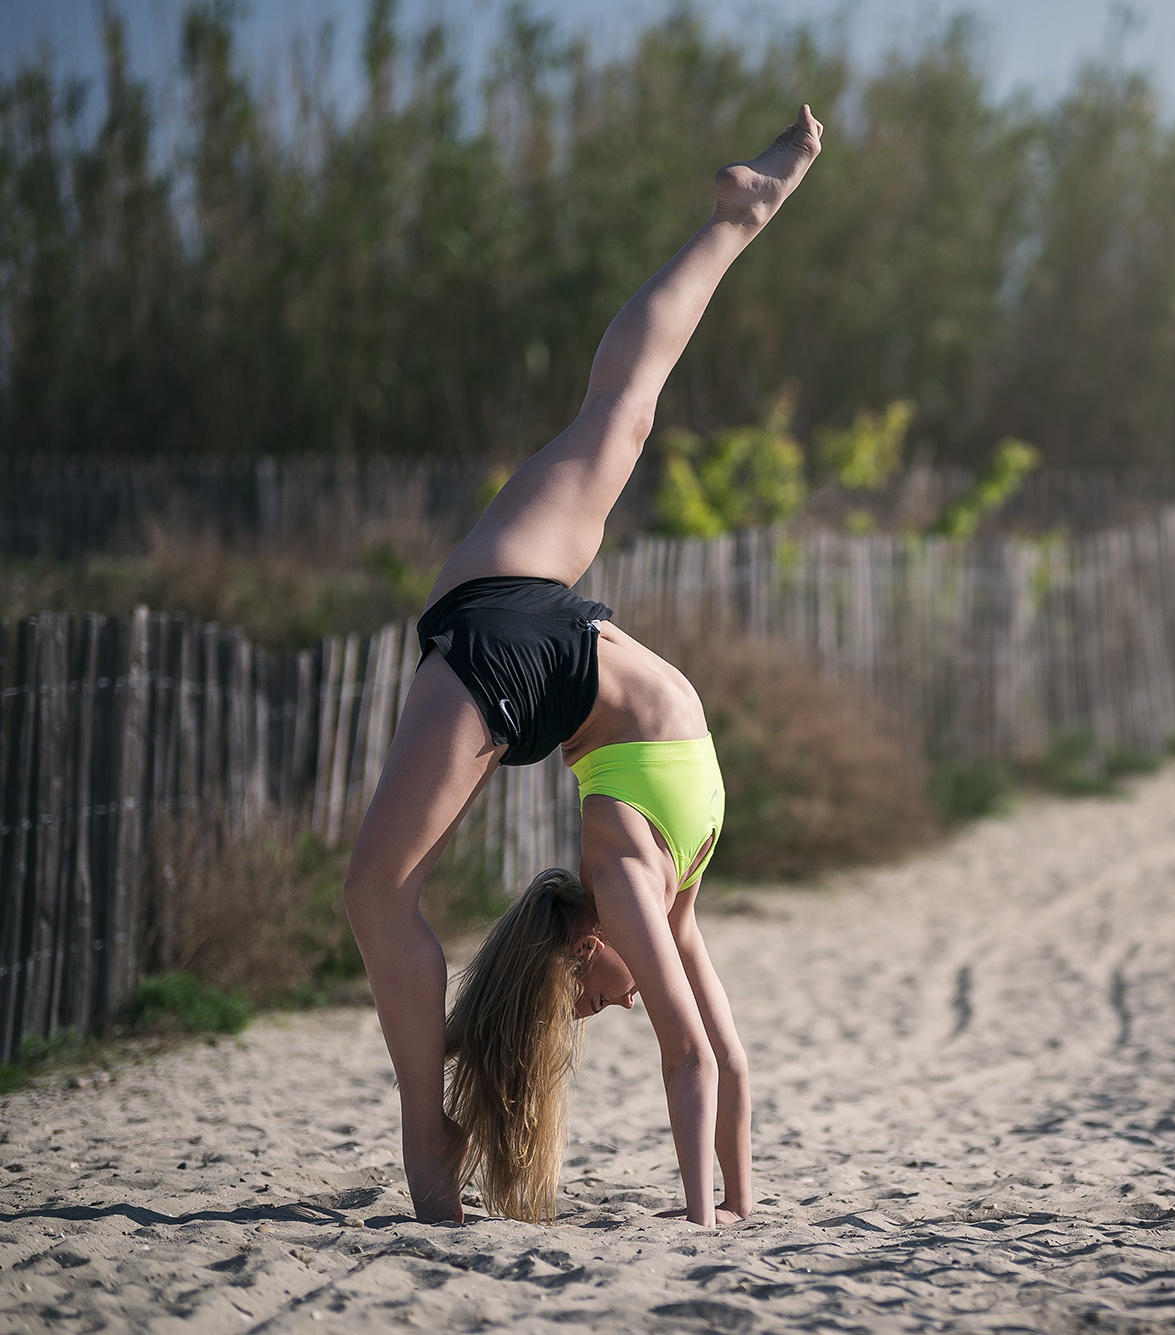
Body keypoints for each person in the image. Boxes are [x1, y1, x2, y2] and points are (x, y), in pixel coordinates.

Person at [341, 106, 824, 1226]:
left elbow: (702, 1055)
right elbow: (710, 1055)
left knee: (378, 890)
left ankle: (431, 1134)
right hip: (519, 622)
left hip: (513, 629)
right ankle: (735, 225)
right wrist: (723, 1214)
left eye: (581, 1000)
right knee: (620, 407)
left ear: (588, 941)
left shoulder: (629, 876)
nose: (598, 1007)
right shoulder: (635, 877)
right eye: (597, 1003)